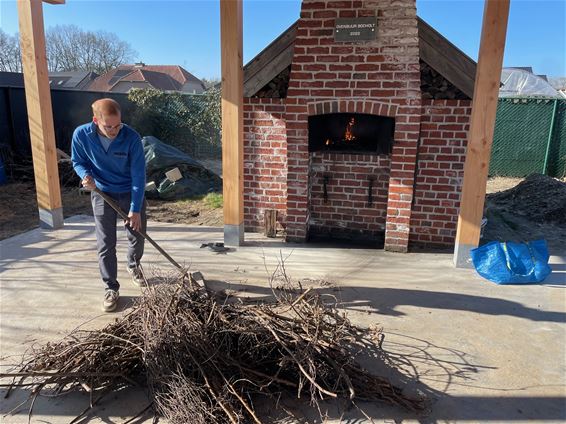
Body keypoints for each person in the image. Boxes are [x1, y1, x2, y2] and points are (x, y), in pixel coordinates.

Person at [71, 98, 147, 312]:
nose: (114, 130)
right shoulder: (81, 135)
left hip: (129, 189)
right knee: (106, 243)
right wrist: (85, 175)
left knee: (137, 235)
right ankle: (110, 288)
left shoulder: (131, 137)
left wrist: (134, 208)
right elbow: (78, 161)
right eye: (108, 126)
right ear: (95, 121)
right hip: (102, 192)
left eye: (118, 125)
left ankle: (133, 264)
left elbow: (139, 175)